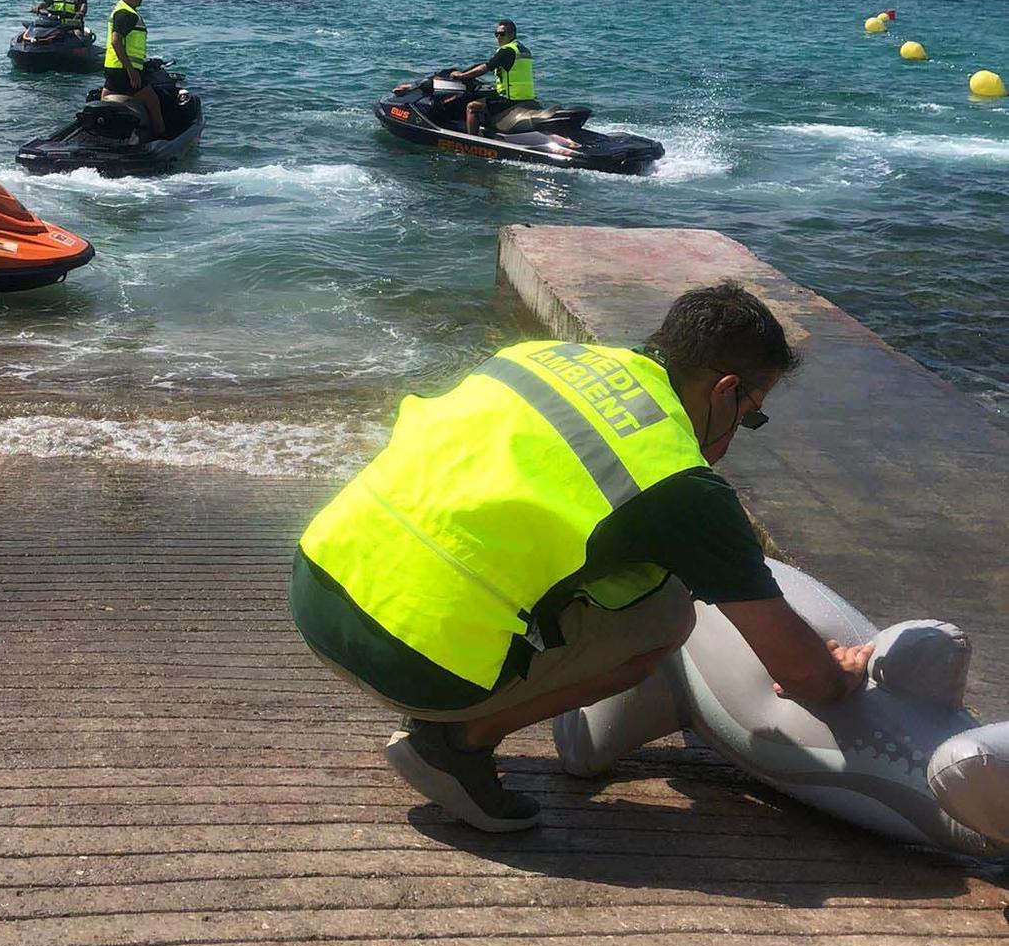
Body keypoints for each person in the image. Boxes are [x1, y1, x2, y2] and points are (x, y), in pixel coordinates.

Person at [290, 283, 874, 833]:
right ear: (725, 390)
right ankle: (456, 742)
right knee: (667, 617)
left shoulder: (536, 356)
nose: (740, 430)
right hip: (409, 664)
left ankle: (444, 694)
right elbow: (801, 675)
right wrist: (839, 677)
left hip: (317, 590)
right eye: (751, 416)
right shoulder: (680, 480)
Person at [102, 0, 166, 137]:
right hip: (124, 71)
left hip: (112, 68)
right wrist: (132, 71)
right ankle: (161, 138)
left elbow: (126, 44)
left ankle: (103, 132)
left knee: (105, 101)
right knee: (153, 102)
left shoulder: (119, 10)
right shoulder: (126, 14)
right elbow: (116, 42)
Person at [450, 19, 538, 134]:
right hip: (527, 97)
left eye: (502, 34)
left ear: (512, 34)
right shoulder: (524, 50)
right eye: (496, 34)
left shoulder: (507, 50)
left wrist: (462, 76)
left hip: (510, 99)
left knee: (472, 107)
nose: (498, 37)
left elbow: (484, 68)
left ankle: (472, 141)